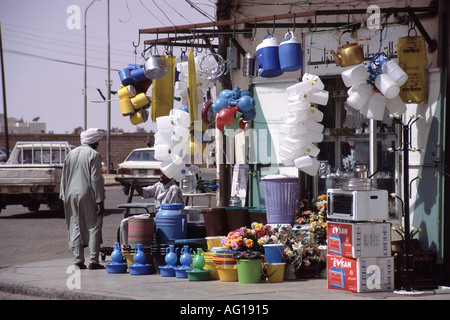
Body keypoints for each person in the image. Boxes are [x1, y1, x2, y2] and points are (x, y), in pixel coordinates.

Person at [60, 128, 106, 270]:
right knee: (94, 226)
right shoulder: (94, 155)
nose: (99, 144)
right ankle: (93, 261)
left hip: (69, 194)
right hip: (87, 193)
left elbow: (64, 176)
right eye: (98, 141)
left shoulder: (71, 154)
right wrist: (100, 200)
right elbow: (95, 179)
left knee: (75, 225)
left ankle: (78, 260)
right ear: (94, 141)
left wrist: (64, 196)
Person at [119, 172, 183, 246]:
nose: (161, 176)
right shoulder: (159, 185)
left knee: (140, 223)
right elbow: (145, 192)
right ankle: (125, 249)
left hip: (164, 220)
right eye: (161, 173)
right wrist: (137, 186)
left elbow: (171, 211)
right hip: (156, 216)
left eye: (164, 175)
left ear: (171, 176)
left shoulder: (174, 189)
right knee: (125, 222)